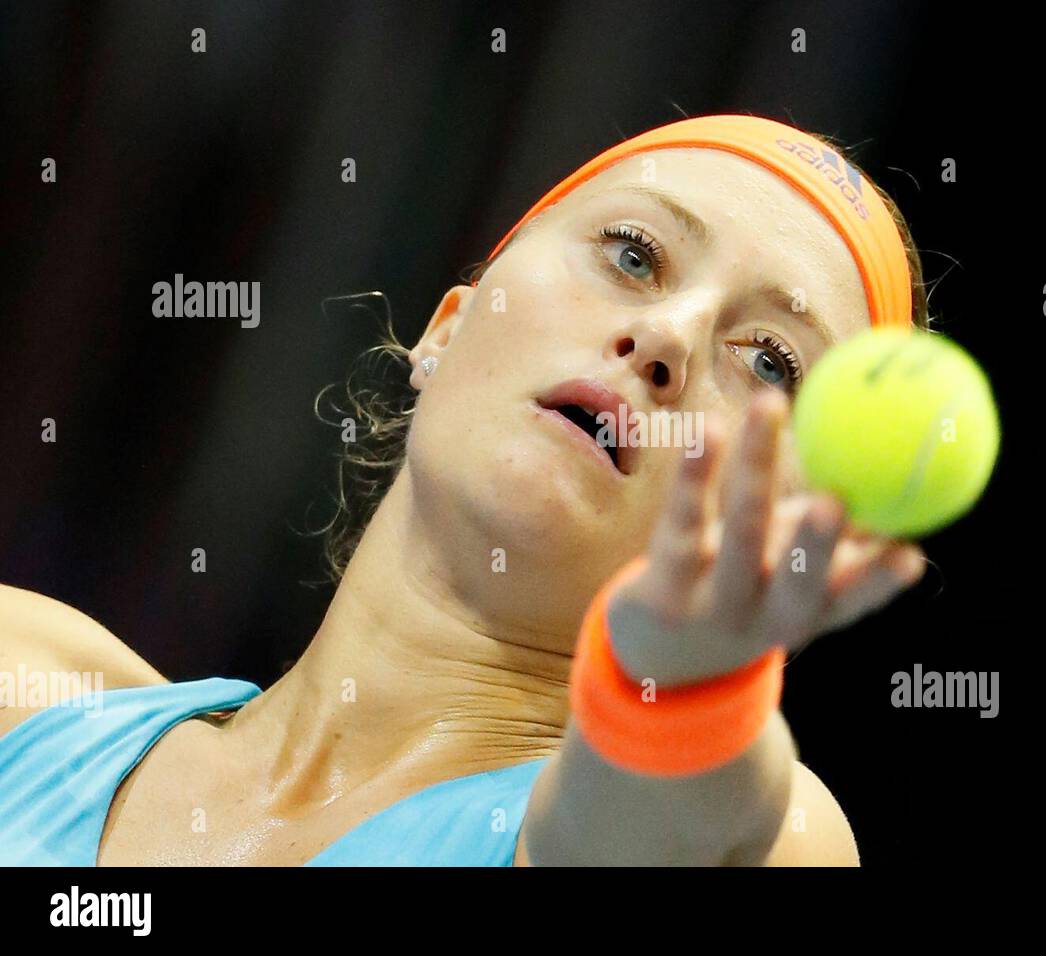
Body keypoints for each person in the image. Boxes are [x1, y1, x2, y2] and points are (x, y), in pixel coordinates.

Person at [0, 114, 931, 866]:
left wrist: (675, 695)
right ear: (446, 327)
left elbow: (641, 831)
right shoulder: (26, 679)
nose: (668, 338)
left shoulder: (778, 841)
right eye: (635, 254)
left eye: (769, 362)